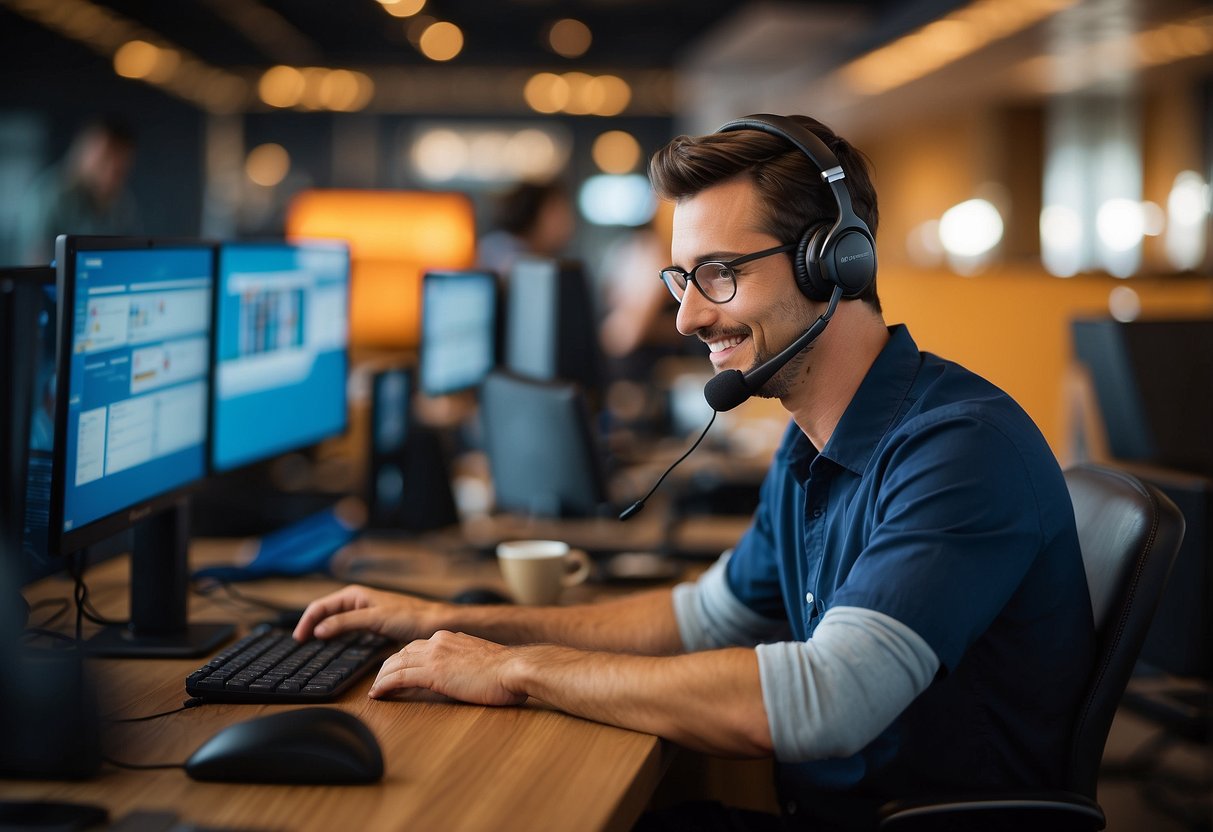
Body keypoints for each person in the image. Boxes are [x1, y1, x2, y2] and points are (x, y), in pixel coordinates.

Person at [295, 115, 1095, 830]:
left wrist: (513, 670)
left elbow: (829, 700)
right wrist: (451, 625)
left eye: (721, 273)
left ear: (833, 263)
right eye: (681, 278)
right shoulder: (813, 439)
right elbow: (702, 619)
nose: (685, 317)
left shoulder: (955, 449)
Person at [19, 116, 139, 264]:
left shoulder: (122, 201)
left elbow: (128, 255)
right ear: (83, 152)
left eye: (119, 168)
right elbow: (34, 263)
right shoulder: (49, 195)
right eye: (104, 159)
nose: (111, 171)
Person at [476, 180, 575, 278]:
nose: (567, 223)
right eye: (556, 213)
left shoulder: (543, 259)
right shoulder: (500, 249)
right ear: (532, 212)